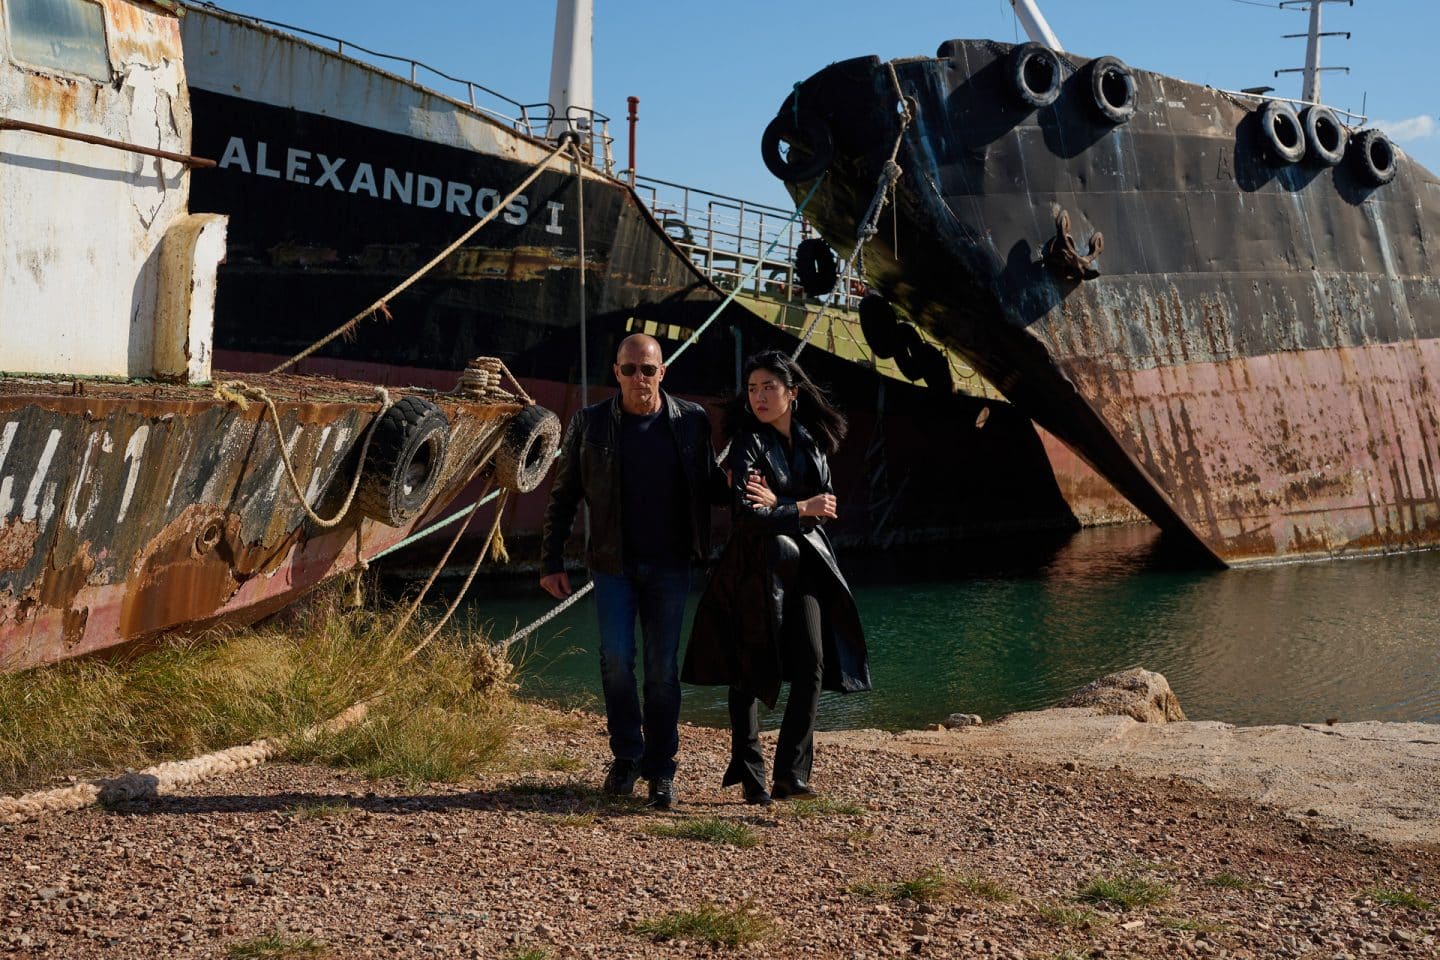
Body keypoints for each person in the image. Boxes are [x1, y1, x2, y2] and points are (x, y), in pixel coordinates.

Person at [540, 333, 726, 810]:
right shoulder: (590, 423)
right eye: (629, 369)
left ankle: (661, 770)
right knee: (617, 662)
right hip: (612, 565)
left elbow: (709, 487)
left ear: (663, 372)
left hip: (671, 565)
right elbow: (563, 497)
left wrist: (756, 488)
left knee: (663, 671)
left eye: (648, 369)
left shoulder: (692, 421)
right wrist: (551, 561)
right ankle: (627, 756)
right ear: (616, 373)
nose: (639, 378)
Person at [682, 350, 870, 806]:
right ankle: (750, 774)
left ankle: (790, 774)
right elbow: (749, 515)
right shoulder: (748, 442)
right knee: (748, 670)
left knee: (812, 666)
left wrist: (781, 502)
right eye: (752, 388)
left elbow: (825, 505)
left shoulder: (813, 439)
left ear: (793, 393)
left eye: (769, 387)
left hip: (805, 567)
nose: (759, 397)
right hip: (753, 568)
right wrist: (799, 507)